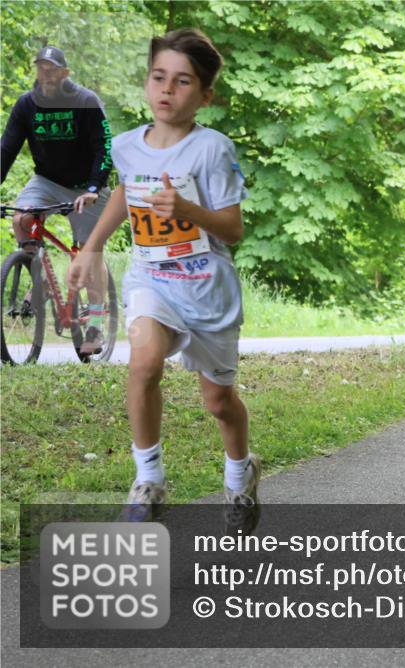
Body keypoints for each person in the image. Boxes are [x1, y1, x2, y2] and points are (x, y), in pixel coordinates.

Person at [68, 28, 259, 532]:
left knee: (218, 403)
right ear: (147, 83)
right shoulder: (128, 145)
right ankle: (148, 479)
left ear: (204, 95)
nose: (167, 91)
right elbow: (124, 194)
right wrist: (92, 248)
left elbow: (234, 229)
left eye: (181, 82)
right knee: (144, 361)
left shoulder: (212, 150)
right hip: (152, 280)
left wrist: (189, 209)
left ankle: (240, 474)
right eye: (159, 78)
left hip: (207, 290)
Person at [1, 45, 114, 353]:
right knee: (21, 218)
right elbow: (6, 149)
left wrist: (93, 188)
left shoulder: (86, 101)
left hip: (86, 186)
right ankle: (38, 279)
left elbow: (105, 147)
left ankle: (95, 325)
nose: (46, 74)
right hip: (47, 181)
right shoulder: (26, 105)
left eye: (52, 69)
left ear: (65, 73)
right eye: (41, 68)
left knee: (89, 253)